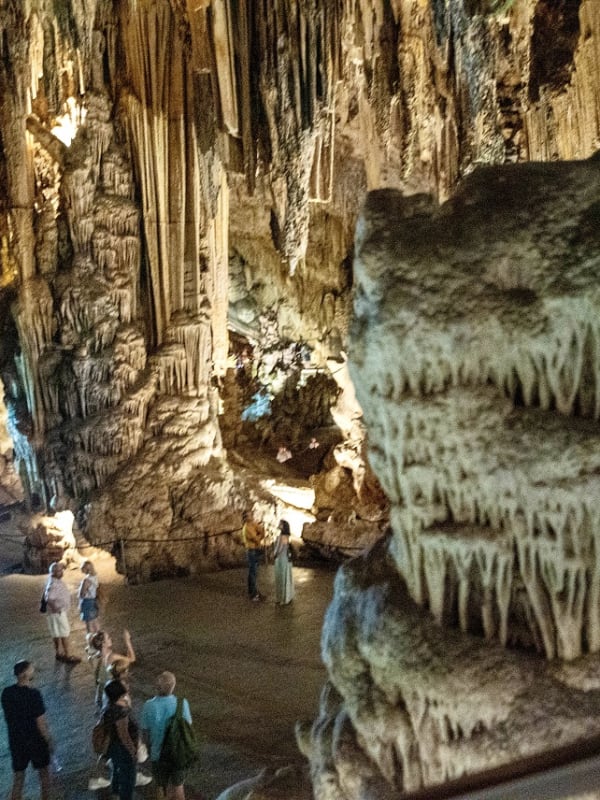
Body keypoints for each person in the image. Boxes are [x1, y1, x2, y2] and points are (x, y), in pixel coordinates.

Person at [1, 660, 53, 800]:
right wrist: (48, 740)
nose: (33, 671)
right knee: (44, 775)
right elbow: (40, 722)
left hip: (16, 741)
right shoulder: (34, 695)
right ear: (24, 674)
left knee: (18, 778)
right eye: (31, 669)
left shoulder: (6, 693)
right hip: (35, 741)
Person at [141, 671, 192, 800]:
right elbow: (188, 726)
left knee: (161, 788)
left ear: (156, 687)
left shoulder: (149, 706)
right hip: (178, 753)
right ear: (173, 686)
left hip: (158, 754)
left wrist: (148, 749)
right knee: (179, 788)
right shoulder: (182, 703)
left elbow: (145, 733)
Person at [102, 680, 139, 800]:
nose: (126, 684)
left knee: (117, 769)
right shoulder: (120, 711)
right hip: (123, 749)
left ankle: (115, 792)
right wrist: (133, 751)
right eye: (124, 685)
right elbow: (124, 735)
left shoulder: (109, 707)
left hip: (113, 746)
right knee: (128, 778)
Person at [86, 629, 136, 707]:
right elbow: (132, 659)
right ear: (103, 644)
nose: (111, 639)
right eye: (108, 638)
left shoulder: (94, 657)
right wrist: (127, 641)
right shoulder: (112, 657)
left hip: (101, 693)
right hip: (111, 693)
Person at [43, 561, 81, 663]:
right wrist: (57, 609)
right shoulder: (54, 584)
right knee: (64, 633)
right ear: (54, 572)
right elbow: (49, 598)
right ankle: (68, 655)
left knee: (56, 633)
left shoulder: (52, 580)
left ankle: (59, 653)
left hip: (53, 613)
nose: (62, 572)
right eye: (59, 570)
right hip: (58, 613)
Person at [241, 512, 266, 601]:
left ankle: (252, 591)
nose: (252, 516)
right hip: (251, 551)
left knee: (253, 572)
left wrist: (260, 535)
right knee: (253, 572)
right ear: (245, 518)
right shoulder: (247, 528)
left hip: (254, 550)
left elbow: (262, 532)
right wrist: (260, 537)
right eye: (249, 515)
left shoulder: (253, 524)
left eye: (251, 514)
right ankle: (253, 594)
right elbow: (256, 538)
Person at [273, 519, 294, 605]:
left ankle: (283, 598)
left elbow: (281, 548)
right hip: (282, 558)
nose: (279, 524)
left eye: (280, 524)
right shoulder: (284, 535)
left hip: (281, 558)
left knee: (282, 578)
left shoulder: (283, 536)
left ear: (283, 526)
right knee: (281, 577)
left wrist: (274, 554)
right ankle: (282, 597)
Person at [78, 559, 100, 633]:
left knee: (89, 623)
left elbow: (82, 594)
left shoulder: (86, 580)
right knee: (95, 620)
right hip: (93, 601)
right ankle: (99, 635)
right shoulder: (95, 577)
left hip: (87, 602)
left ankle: (91, 639)